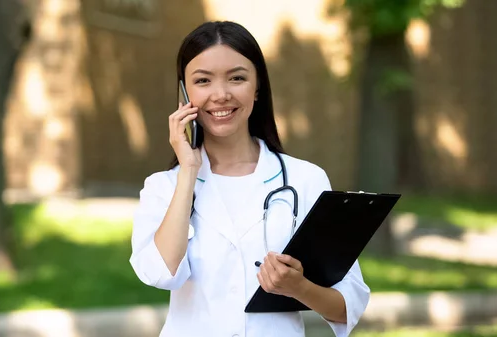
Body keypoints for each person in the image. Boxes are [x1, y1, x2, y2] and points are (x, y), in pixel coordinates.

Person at [130, 21, 369, 337]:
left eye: (237, 78)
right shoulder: (163, 187)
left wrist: (299, 287)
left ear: (257, 87)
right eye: (203, 81)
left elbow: (347, 304)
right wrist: (188, 170)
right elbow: (161, 273)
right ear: (184, 93)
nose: (221, 95)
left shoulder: (305, 179)